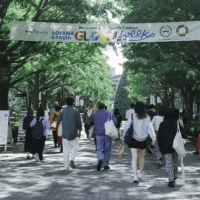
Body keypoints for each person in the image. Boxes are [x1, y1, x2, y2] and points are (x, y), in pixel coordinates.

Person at [122, 101, 156, 183]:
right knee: (141, 157)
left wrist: (123, 136)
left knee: (134, 157)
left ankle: (135, 175)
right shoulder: (147, 117)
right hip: (143, 140)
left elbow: (126, 127)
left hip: (133, 139)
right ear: (144, 108)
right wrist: (153, 138)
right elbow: (150, 128)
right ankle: (140, 172)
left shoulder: (132, 116)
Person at [157, 108, 185, 188]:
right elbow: (183, 134)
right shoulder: (177, 123)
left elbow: (160, 137)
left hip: (166, 146)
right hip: (176, 146)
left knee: (169, 163)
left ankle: (171, 180)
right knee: (174, 162)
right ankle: (175, 174)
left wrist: (160, 147)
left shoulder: (162, 124)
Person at [57, 97, 82, 170]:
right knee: (75, 147)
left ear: (66, 102)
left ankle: (66, 166)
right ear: (73, 102)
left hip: (65, 133)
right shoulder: (76, 111)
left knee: (65, 149)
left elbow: (58, 119)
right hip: (74, 132)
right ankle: (72, 159)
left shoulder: (63, 110)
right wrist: (80, 131)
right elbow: (78, 122)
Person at [91, 101, 117, 171]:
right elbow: (115, 122)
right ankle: (106, 164)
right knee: (107, 149)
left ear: (98, 107)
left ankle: (100, 159)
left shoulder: (94, 114)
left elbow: (92, 122)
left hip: (98, 134)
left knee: (99, 148)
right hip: (108, 133)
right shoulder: (109, 113)